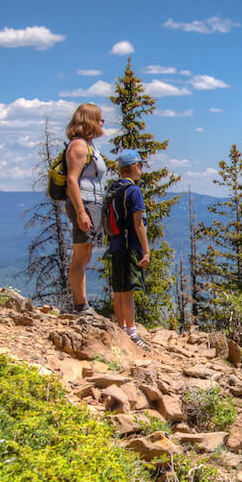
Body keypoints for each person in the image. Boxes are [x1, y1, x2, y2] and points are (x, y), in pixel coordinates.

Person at [63, 103, 109, 314]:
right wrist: (81, 211)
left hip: (92, 202)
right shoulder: (79, 146)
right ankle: (80, 305)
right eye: (100, 118)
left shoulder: (88, 146)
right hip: (85, 202)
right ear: (89, 120)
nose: (103, 122)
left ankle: (81, 304)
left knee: (86, 253)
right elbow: (72, 180)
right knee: (81, 254)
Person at [105, 149, 151, 348]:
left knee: (118, 289)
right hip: (130, 245)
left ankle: (121, 328)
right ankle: (132, 333)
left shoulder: (113, 189)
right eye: (140, 165)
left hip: (115, 243)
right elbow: (138, 223)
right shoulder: (134, 191)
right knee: (129, 290)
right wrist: (146, 250)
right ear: (132, 167)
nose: (141, 169)